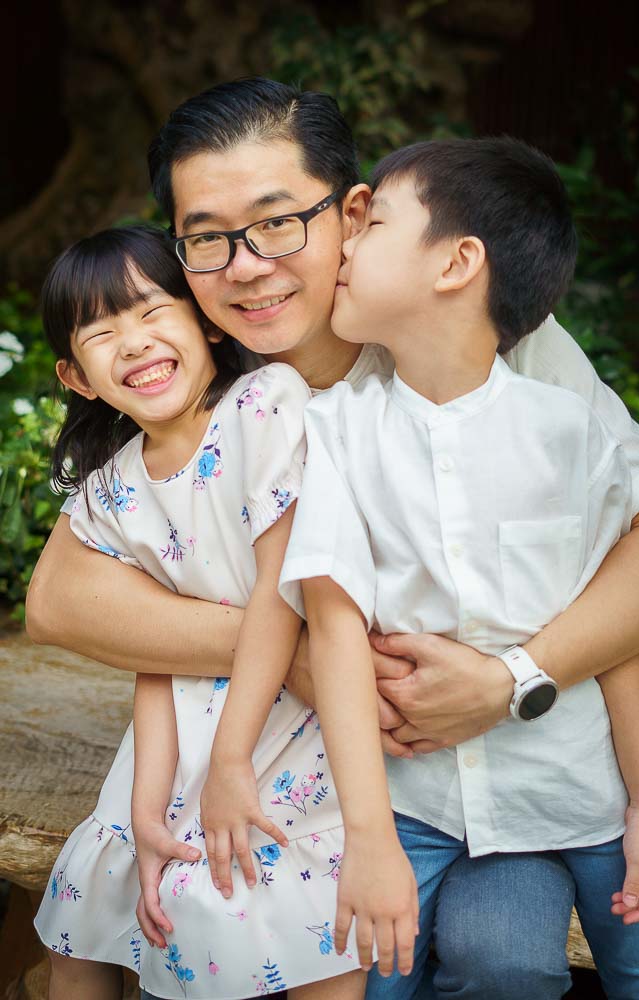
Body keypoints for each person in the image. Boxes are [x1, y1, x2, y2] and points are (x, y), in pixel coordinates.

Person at [26, 78, 639, 996]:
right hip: (303, 787)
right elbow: (60, 598)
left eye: (278, 221)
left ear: (351, 213)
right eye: (205, 236)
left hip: (492, 794)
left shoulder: (477, 335)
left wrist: (510, 675)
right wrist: (295, 648)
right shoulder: (199, 367)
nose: (246, 267)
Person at [279, 136, 639, 1000]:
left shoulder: (567, 429)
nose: (343, 245)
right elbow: (334, 625)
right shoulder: (340, 430)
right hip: (413, 801)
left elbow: (615, 620)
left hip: (574, 795)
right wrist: (368, 836)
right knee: (368, 978)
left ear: (457, 263)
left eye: (370, 223)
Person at [34, 224, 405, 1000]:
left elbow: (284, 593)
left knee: (311, 933)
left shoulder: (262, 407)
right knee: (107, 907)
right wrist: (142, 809)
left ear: (205, 319)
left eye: (150, 312)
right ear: (76, 377)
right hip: (180, 737)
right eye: (101, 334)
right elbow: (158, 650)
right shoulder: (110, 490)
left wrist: (231, 760)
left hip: (290, 721)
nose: (132, 344)